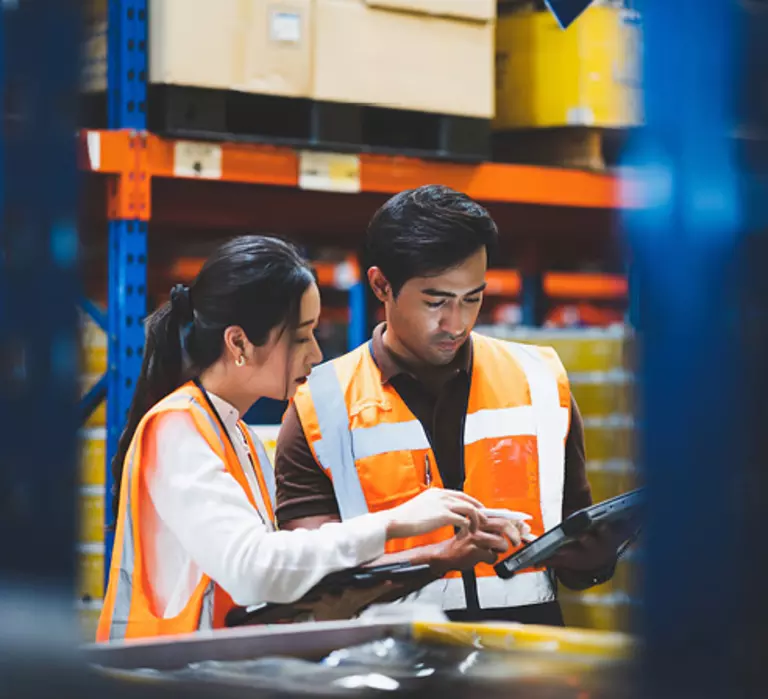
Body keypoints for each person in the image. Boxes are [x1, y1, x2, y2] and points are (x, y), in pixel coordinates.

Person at [96, 235, 498, 643]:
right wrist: (393, 523)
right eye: (302, 335)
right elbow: (253, 569)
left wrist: (428, 558)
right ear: (238, 343)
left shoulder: (236, 434)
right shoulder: (176, 428)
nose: (316, 354)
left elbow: (274, 578)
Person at [275, 185, 628, 626]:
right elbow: (308, 579)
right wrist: (439, 558)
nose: (456, 323)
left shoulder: (539, 380)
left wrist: (594, 555)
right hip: (390, 672)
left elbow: (576, 556)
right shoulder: (319, 407)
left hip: (522, 668)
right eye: (436, 301)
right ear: (382, 285)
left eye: (472, 299)